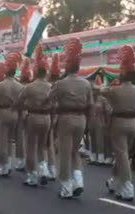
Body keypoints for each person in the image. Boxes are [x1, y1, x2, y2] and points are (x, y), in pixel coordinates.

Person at [48, 38, 92, 199]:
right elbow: (91, 105)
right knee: (75, 152)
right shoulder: (86, 84)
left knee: (65, 153)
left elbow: (49, 100)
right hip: (81, 119)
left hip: (66, 118)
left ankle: (66, 187)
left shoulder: (61, 84)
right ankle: (78, 181)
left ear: (68, 65)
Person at [103, 45, 135, 201]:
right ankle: (114, 182)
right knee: (123, 155)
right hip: (133, 123)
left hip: (119, 123)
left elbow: (100, 91)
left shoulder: (115, 90)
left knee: (122, 155)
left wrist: (101, 86)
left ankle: (127, 187)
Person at [15, 44, 51, 186]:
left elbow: (19, 102)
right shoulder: (50, 87)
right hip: (47, 118)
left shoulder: (29, 87)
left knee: (30, 146)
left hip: (33, 117)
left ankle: (32, 176)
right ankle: (43, 170)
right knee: (42, 147)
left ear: (35, 72)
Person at [0, 52, 23, 177]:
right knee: (13, 140)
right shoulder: (20, 86)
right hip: (15, 114)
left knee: (2, 140)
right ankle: (15, 163)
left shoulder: (0, 85)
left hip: (3, 113)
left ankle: (4, 167)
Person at [89, 75, 110, 164]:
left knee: (100, 140)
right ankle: (93, 157)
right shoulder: (89, 100)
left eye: (95, 90)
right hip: (91, 121)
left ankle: (100, 158)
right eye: (93, 90)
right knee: (92, 139)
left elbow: (107, 112)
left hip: (100, 120)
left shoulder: (103, 100)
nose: (94, 91)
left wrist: (107, 123)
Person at [15, 58, 31, 171]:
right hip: (31, 113)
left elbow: (18, 102)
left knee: (21, 139)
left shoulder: (20, 87)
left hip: (22, 113)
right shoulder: (31, 86)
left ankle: (21, 162)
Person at [46, 53, 60, 180]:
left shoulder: (53, 87)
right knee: (51, 145)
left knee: (45, 145)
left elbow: (49, 102)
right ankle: (52, 169)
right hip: (58, 118)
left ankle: (47, 170)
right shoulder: (59, 85)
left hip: (52, 118)